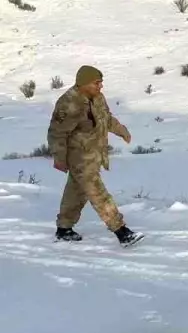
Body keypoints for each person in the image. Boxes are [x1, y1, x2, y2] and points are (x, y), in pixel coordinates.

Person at [47, 65, 142, 247]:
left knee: (77, 192)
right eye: (97, 83)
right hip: (79, 158)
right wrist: (59, 157)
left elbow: (106, 118)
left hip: (94, 154)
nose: (101, 86)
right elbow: (56, 133)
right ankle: (121, 232)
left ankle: (64, 229)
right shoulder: (69, 103)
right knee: (97, 192)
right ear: (84, 83)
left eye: (101, 82)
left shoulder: (97, 97)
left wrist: (122, 131)